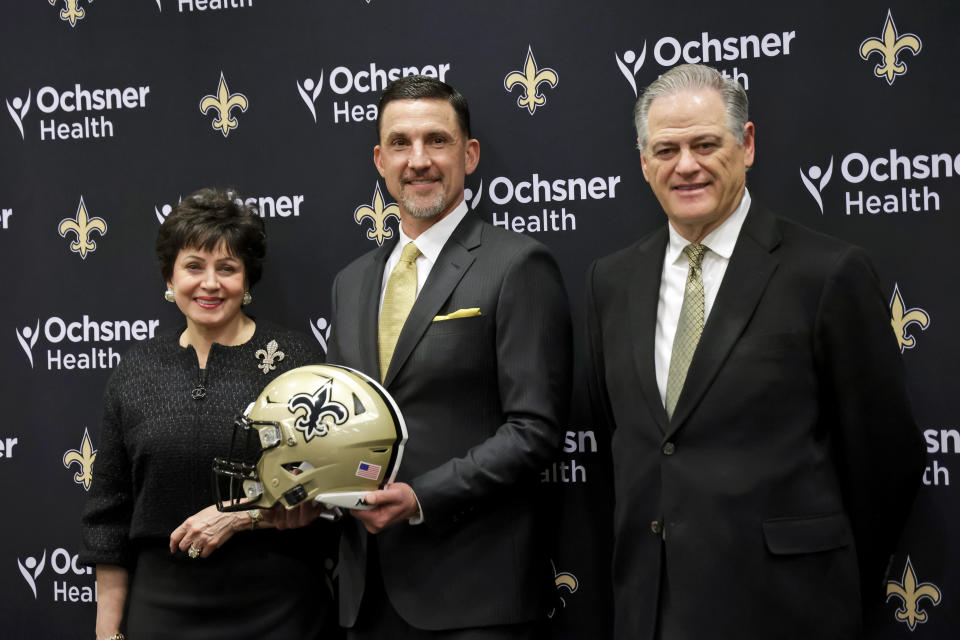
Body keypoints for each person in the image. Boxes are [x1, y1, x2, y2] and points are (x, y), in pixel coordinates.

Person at [583, 64, 925, 639]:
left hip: (790, 610)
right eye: (665, 149)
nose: (685, 165)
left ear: (747, 145)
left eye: (705, 144)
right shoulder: (608, 282)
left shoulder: (827, 273)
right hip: (651, 610)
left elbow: (884, 456)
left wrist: (828, 576)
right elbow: (614, 439)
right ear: (643, 162)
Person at [325, 75, 572, 638]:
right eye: (400, 143)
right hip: (367, 596)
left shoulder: (518, 265)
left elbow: (534, 430)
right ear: (379, 159)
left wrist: (420, 498)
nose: (419, 160)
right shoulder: (352, 281)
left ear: (470, 154)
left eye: (436, 140)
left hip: (475, 596)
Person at [80, 188, 337, 640]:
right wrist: (106, 633)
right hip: (162, 607)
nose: (210, 284)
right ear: (169, 277)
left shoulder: (295, 359)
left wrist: (242, 515)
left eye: (228, 268)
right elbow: (109, 517)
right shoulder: (136, 372)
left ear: (248, 281)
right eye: (194, 266)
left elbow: (323, 486)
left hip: (279, 604)